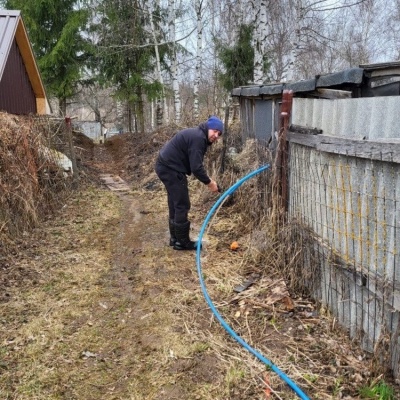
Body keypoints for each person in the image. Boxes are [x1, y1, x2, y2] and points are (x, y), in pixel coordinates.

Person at [155, 116, 224, 250]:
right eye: (215, 131)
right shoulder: (199, 138)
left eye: (219, 134)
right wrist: (210, 183)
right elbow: (196, 168)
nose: (216, 136)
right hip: (170, 168)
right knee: (182, 204)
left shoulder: (197, 135)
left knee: (175, 202)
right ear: (208, 127)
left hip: (165, 166)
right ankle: (182, 242)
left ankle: (175, 239)